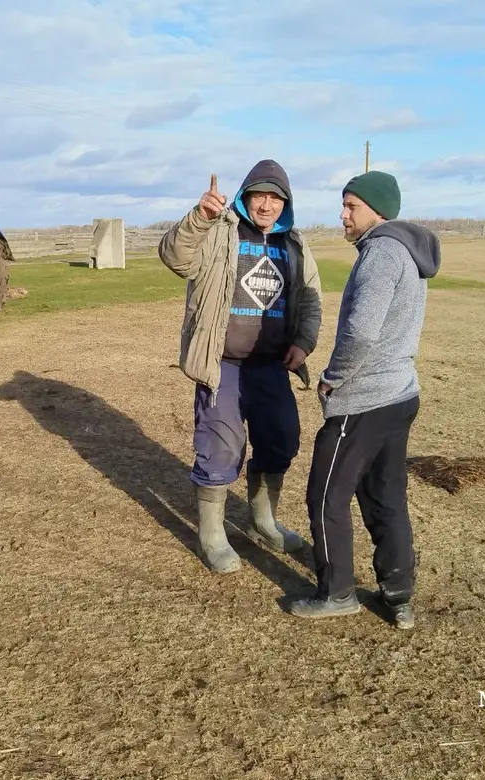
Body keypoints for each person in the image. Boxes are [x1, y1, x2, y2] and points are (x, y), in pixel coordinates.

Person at [290, 170, 440, 629]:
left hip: (364, 401)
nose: (343, 214)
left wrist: (333, 378)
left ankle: (337, 594)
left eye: (351, 206)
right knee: (387, 497)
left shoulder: (381, 253)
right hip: (400, 395)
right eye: (344, 204)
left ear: (377, 209)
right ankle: (399, 598)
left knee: (325, 496)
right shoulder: (408, 252)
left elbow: (361, 331)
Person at [158, 160, 323, 573]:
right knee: (221, 445)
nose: (266, 204)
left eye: (275, 197)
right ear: (245, 196)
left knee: (282, 439)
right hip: (223, 364)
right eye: (259, 195)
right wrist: (200, 218)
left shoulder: (294, 244)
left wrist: (303, 343)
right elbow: (174, 256)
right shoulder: (220, 231)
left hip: (270, 366)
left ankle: (262, 521)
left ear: (285, 203)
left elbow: (311, 298)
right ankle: (211, 535)